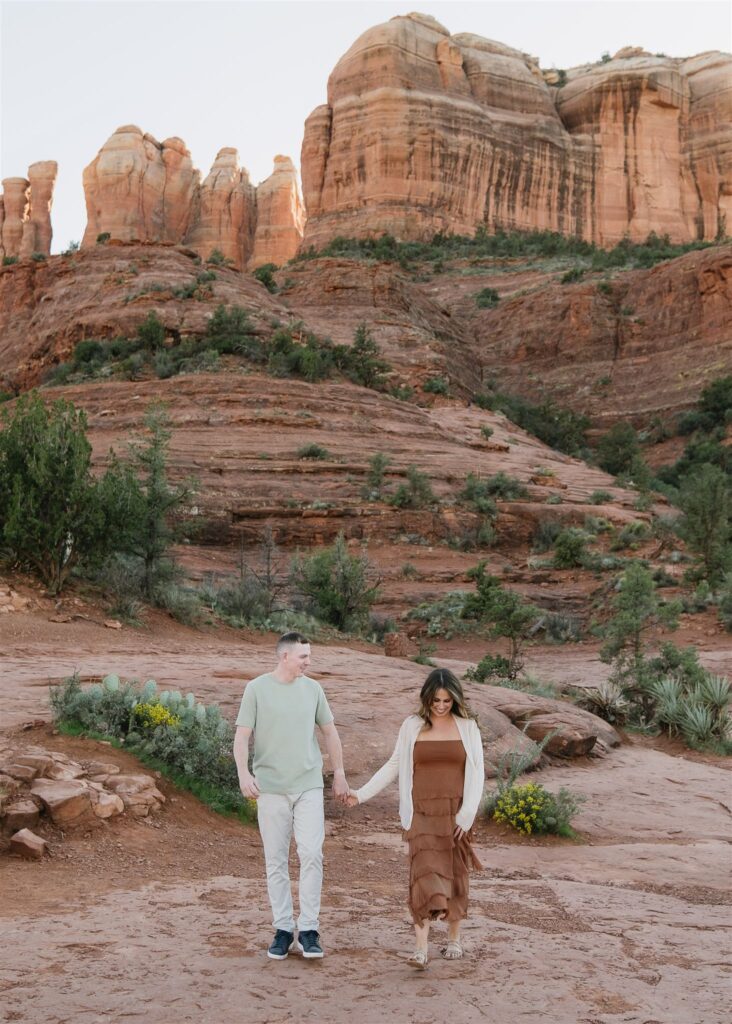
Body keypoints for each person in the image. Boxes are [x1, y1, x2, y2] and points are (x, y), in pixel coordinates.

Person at [347, 667, 484, 969]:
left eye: (447, 701)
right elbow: (394, 764)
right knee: (422, 877)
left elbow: (478, 772)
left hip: (456, 814)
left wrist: (467, 814)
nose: (441, 706)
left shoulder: (468, 726)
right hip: (420, 813)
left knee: (456, 876)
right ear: (426, 698)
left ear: (456, 700)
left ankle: (453, 939)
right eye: (436, 700)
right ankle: (420, 948)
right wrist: (360, 794)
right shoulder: (412, 726)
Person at [234, 631, 350, 961]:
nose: (308, 662)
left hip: (308, 786)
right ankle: (284, 929)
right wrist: (244, 773)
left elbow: (330, 731)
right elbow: (242, 737)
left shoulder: (313, 690)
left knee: (312, 853)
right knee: (276, 860)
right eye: (303, 656)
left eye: (309, 656)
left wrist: (339, 773)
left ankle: (309, 929)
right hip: (270, 789)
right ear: (285, 656)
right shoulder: (255, 689)